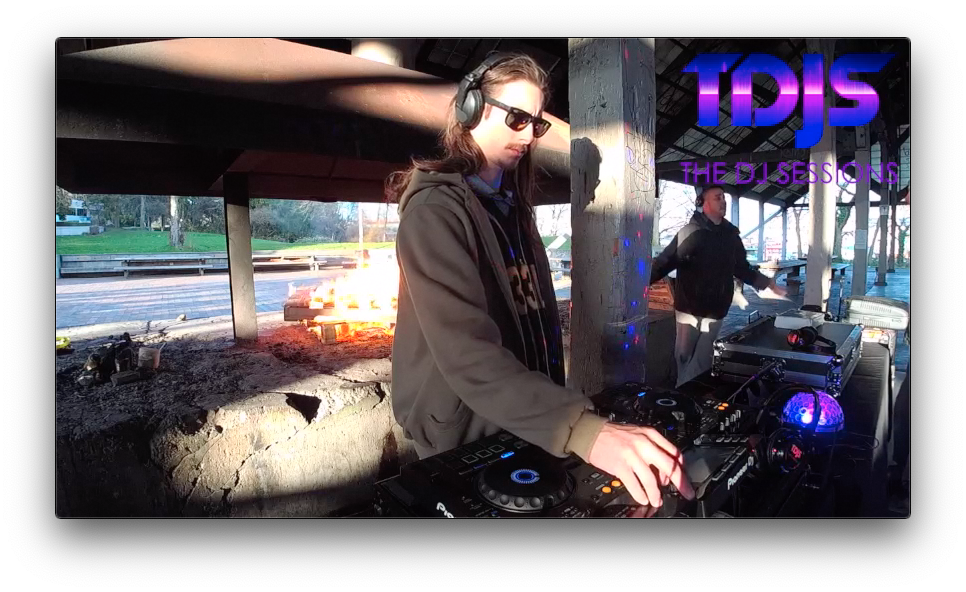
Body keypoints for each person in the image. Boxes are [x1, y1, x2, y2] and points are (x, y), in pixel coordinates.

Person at [385, 53, 694, 508]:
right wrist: (582, 430)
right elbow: (467, 352)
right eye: (517, 118)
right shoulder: (434, 214)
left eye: (536, 123)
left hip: (524, 418)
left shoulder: (512, 209)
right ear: (472, 108)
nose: (529, 135)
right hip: (464, 429)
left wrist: (558, 412)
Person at [650, 185, 787, 387]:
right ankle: (684, 391)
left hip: (716, 309)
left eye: (724, 197)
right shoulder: (690, 232)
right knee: (683, 356)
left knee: (702, 362)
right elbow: (665, 262)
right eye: (717, 198)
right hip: (689, 308)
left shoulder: (731, 236)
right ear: (703, 203)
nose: (723, 201)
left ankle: (686, 394)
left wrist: (766, 283)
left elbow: (741, 268)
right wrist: (641, 283)